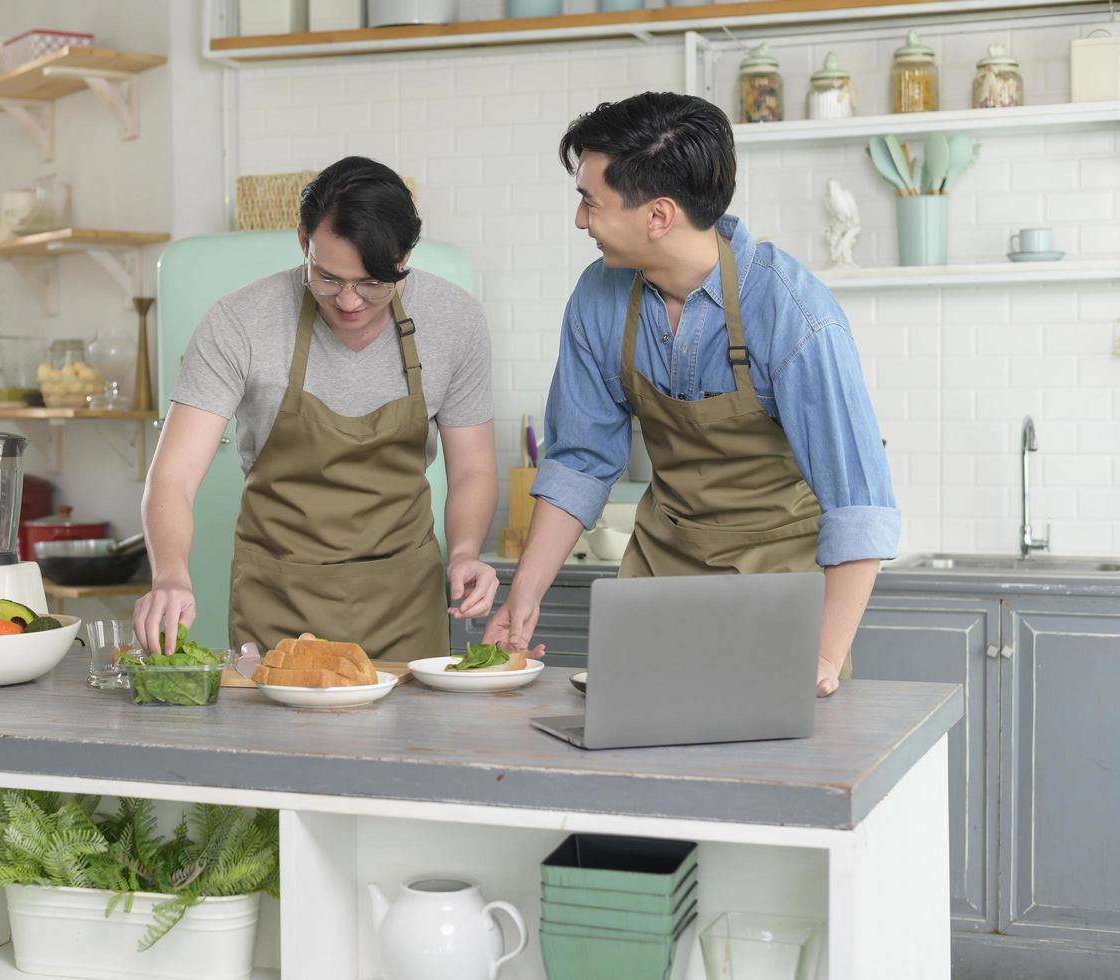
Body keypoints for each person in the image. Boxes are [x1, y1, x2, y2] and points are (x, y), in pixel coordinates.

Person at [483, 93, 899, 696]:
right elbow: (580, 459)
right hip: (660, 577)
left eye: (589, 202)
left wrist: (824, 658)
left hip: (780, 585)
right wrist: (521, 600)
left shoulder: (795, 316)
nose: (580, 220)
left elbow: (858, 504)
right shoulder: (598, 299)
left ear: (658, 216)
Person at [135, 156, 499, 662]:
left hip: (405, 605)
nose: (349, 302)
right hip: (278, 602)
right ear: (303, 240)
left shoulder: (454, 320)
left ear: (406, 255)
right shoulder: (239, 322)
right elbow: (172, 476)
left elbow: (474, 469)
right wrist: (171, 576)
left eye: (374, 282)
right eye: (327, 278)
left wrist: (464, 553)